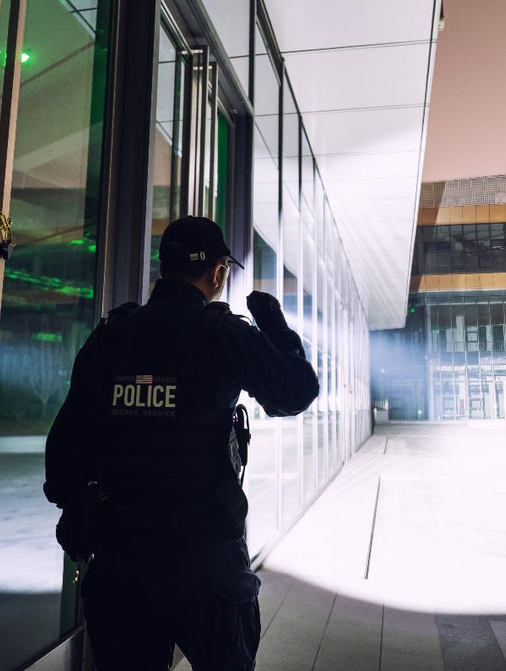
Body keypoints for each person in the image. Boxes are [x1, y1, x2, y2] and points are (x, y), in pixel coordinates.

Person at [44, 216, 319, 670]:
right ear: (216, 273)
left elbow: (63, 456)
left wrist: (85, 504)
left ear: (164, 266)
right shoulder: (223, 333)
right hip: (206, 560)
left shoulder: (112, 335)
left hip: (121, 559)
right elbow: (294, 393)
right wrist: (276, 329)